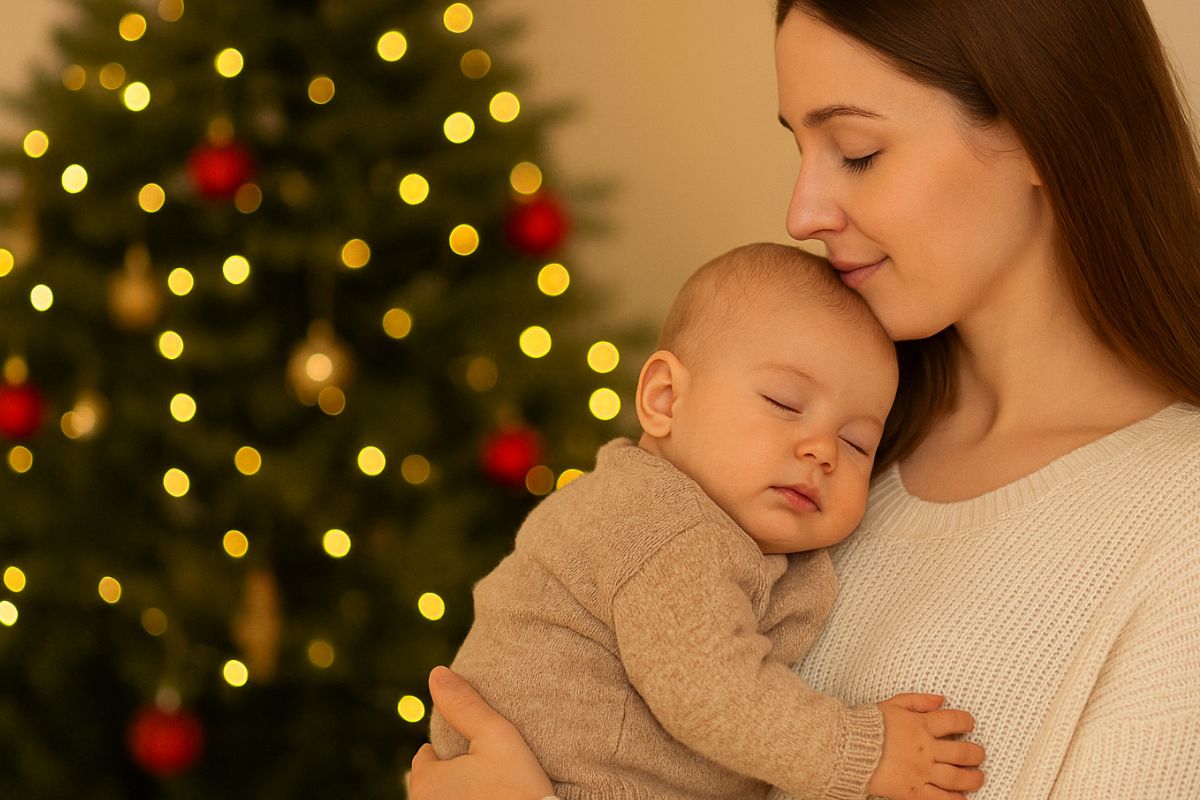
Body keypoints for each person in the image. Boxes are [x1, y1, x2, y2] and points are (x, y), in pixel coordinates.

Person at [410, 0, 1200, 797]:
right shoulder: (775, 457)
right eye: (800, 147)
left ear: (1040, 131)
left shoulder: (1178, 527)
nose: (802, 214)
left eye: (856, 152)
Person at [429, 244, 986, 800]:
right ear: (666, 399)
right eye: (785, 403)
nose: (823, 451)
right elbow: (708, 689)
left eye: (856, 442)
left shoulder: (727, 534)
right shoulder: (661, 523)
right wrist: (863, 752)